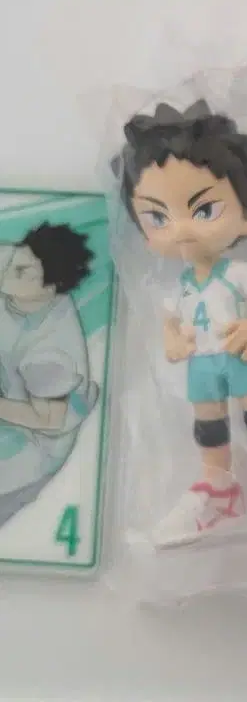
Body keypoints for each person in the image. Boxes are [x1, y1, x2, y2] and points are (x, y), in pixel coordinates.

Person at [113, 99, 247, 547]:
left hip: (236, 354)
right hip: (200, 363)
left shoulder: (236, 274)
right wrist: (172, 339)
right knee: (208, 423)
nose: (181, 229)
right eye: (158, 217)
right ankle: (218, 488)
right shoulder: (182, 286)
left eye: (203, 210)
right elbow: (169, 320)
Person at [0, 223, 98, 526]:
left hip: (33, 444)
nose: (6, 270)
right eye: (12, 262)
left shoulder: (50, 353)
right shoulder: (17, 273)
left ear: (50, 286)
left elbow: (49, 419)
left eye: (21, 271)